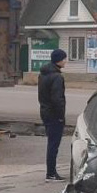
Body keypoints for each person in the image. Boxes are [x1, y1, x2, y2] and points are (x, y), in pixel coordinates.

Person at [38, 49, 67, 182]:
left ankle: (51, 172)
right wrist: (61, 115)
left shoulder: (43, 74)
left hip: (45, 111)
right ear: (59, 60)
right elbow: (57, 99)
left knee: (51, 143)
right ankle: (51, 173)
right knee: (53, 144)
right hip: (54, 114)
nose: (65, 61)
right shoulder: (57, 77)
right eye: (64, 58)